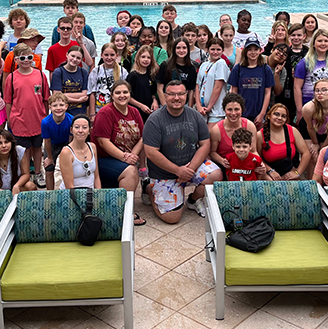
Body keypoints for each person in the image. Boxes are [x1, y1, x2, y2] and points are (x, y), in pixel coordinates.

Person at [143, 80, 222, 223]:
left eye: (180, 94)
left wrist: (189, 170)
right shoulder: (154, 120)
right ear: (165, 96)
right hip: (164, 172)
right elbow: (151, 152)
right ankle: (149, 189)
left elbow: (205, 144)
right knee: (172, 218)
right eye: (172, 94)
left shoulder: (195, 115)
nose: (176, 98)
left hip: (190, 167)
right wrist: (177, 171)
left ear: (186, 95)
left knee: (215, 175)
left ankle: (192, 200)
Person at [4, 43, 49, 187]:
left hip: (38, 119)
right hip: (19, 120)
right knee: (24, 151)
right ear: (16, 60)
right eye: (22, 57)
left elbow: (46, 99)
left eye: (29, 57)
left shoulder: (41, 75)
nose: (26, 60)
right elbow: (8, 101)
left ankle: (37, 171)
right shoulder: (11, 78)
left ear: (33, 58)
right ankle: (26, 174)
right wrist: (9, 118)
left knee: (37, 148)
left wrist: (47, 117)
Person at [92, 81, 144, 198]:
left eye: (125, 92)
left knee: (132, 168)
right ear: (112, 95)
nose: (122, 95)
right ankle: (123, 210)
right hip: (104, 159)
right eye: (118, 92)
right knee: (131, 171)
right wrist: (125, 157)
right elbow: (103, 142)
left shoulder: (134, 112)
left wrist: (132, 156)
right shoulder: (105, 113)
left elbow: (142, 137)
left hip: (125, 157)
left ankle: (126, 208)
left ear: (130, 94)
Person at [294, 30, 328, 122]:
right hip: (309, 103)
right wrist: (300, 109)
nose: (323, 44)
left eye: (326, 41)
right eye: (319, 41)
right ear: (313, 44)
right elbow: (297, 87)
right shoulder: (304, 62)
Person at [257, 103, 310, 180]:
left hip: (289, 172)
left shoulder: (292, 131)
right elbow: (258, 158)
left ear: (286, 120)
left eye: (283, 116)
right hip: (269, 174)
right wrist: (270, 171)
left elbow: (306, 153)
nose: (279, 118)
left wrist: (297, 172)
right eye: (276, 114)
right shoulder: (259, 135)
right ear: (269, 116)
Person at [229, 37, 274, 128]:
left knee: (257, 139)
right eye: (249, 50)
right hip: (242, 113)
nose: (253, 52)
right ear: (245, 51)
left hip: (259, 113)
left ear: (260, 51)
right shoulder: (238, 68)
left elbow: (267, 93)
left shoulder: (265, 69)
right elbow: (234, 91)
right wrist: (236, 112)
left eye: (256, 49)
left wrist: (262, 114)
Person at [210, 93, 258, 172]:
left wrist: (259, 164)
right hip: (226, 165)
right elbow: (212, 152)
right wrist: (222, 161)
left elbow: (253, 150)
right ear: (224, 110)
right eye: (229, 110)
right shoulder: (216, 130)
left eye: (236, 109)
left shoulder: (249, 126)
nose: (233, 113)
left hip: (245, 163)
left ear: (242, 110)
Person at [0, 130, 35, 194]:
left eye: (6, 142)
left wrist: (17, 185)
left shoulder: (19, 151)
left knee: (31, 186)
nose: (4, 146)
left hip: (15, 187)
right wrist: (5, 194)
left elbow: (26, 174)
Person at [57, 114, 100, 190]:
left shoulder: (92, 147)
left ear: (89, 131)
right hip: (73, 195)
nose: (80, 131)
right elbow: (69, 186)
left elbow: (96, 177)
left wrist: (98, 194)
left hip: (91, 193)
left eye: (84, 127)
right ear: (71, 130)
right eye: (77, 127)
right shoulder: (66, 152)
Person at [41, 93, 73, 190]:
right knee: (49, 168)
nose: (58, 108)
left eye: (61, 105)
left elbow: (71, 138)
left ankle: (68, 190)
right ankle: (50, 193)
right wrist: (50, 157)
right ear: (50, 107)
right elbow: (47, 141)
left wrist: (69, 151)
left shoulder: (71, 119)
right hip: (52, 144)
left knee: (68, 168)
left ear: (66, 106)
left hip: (66, 143)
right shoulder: (46, 122)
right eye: (55, 105)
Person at [196, 38, 230, 127]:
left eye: (218, 49)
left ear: (223, 50)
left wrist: (209, 107)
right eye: (212, 49)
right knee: (202, 137)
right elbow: (197, 86)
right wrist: (199, 106)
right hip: (202, 109)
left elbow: (218, 87)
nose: (215, 52)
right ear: (208, 50)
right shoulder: (204, 65)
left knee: (210, 135)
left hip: (216, 110)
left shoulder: (221, 63)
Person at [89, 42, 128, 117]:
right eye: (106, 55)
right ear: (101, 55)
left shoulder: (123, 72)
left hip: (117, 110)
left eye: (112, 55)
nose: (109, 58)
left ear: (116, 55)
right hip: (99, 110)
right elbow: (92, 93)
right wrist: (92, 114)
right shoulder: (96, 71)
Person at [51, 45, 90, 117]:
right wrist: (78, 100)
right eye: (72, 56)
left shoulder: (83, 72)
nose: (75, 59)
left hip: (80, 113)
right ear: (67, 55)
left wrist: (64, 95)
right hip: (63, 114)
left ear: (82, 60)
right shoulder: (58, 72)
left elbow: (85, 94)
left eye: (78, 58)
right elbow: (57, 96)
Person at [157, 38, 197, 107]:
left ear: (188, 49)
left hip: (184, 104)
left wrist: (189, 108)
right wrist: (165, 107)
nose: (181, 50)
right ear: (174, 49)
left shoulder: (191, 68)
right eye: (178, 48)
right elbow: (159, 89)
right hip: (167, 103)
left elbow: (191, 91)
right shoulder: (165, 65)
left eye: (184, 48)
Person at [127, 45, 159, 121]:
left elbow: (153, 93)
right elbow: (128, 97)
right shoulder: (133, 75)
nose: (146, 60)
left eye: (148, 57)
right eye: (143, 57)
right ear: (138, 58)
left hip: (148, 111)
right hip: (136, 111)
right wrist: (141, 106)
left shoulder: (150, 74)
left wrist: (155, 101)